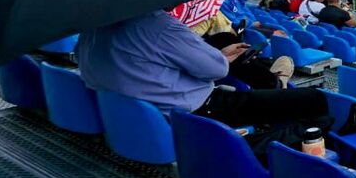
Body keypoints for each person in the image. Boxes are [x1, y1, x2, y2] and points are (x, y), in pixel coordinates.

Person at [77, 11, 327, 129]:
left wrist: (220, 56)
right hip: (196, 110)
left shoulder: (93, 25)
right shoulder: (158, 25)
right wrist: (221, 60)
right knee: (314, 99)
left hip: (133, 115)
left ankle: (275, 84)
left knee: (223, 49)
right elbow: (214, 70)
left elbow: (145, 65)